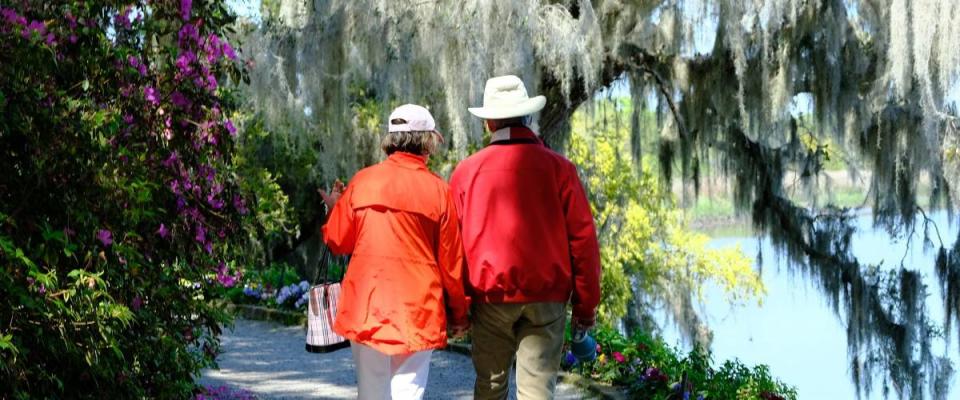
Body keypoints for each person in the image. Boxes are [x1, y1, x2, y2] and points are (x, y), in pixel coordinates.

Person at [449, 75, 602, 400]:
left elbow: (452, 248)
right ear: (528, 117)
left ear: (489, 121)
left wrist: (459, 311)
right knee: (537, 393)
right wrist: (585, 308)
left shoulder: (466, 173)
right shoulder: (560, 169)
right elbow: (584, 243)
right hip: (547, 299)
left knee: (490, 389)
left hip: (489, 299)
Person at [319, 104, 470, 400]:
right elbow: (451, 264)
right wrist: (460, 314)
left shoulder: (363, 181)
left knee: (371, 393)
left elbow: (338, 241)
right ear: (426, 141)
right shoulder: (439, 190)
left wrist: (335, 209)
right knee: (407, 393)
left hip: (367, 305)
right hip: (418, 308)